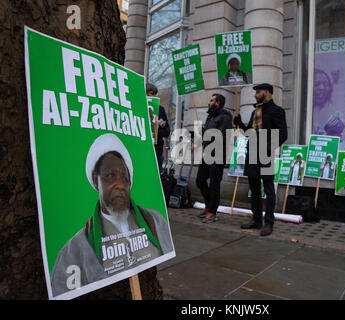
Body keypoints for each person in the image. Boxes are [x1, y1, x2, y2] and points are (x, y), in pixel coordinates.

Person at [51, 133, 173, 296]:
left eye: (125, 178)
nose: (120, 185)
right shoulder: (73, 251)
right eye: (110, 176)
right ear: (96, 180)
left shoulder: (156, 221)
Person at [233, 83, 288, 236]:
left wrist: (268, 148)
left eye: (258, 92)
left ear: (267, 92)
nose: (255, 95)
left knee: (269, 189)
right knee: (254, 188)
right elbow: (250, 133)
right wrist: (240, 125)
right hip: (252, 153)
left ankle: (269, 222)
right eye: (255, 92)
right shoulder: (255, 111)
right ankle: (257, 219)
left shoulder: (277, 111)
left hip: (265, 153)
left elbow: (283, 134)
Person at [195, 93, 232, 223]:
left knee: (214, 184)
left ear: (218, 103)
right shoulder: (210, 117)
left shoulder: (225, 117)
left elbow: (221, 136)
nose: (209, 102)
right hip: (207, 153)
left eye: (211, 100)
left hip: (218, 155)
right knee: (200, 180)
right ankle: (208, 205)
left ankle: (212, 211)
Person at [146, 84, 170, 171]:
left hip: (157, 151)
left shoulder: (160, 109)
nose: (155, 96)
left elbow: (167, 133)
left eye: (156, 94)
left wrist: (161, 126)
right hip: (143, 150)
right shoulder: (137, 108)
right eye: (152, 94)